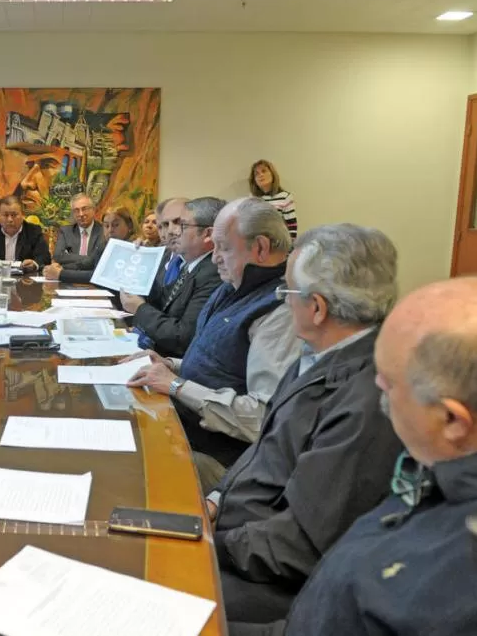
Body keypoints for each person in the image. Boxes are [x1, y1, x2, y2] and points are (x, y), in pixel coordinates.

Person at [231, 277, 477, 636]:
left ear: (451, 420)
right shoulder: (440, 468)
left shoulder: (466, 582)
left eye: (388, 383)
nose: (374, 387)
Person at [207, 224, 402, 624]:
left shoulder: (368, 402)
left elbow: (298, 545)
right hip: (241, 535)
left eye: (287, 294)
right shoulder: (317, 354)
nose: (283, 303)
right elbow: (265, 447)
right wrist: (214, 500)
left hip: (272, 580)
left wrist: (210, 542)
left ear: (317, 307)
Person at [128, 197, 303, 466]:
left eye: (224, 247)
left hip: (213, 452)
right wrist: (170, 364)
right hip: (179, 422)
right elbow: (220, 365)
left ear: (260, 248)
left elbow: (261, 417)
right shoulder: (232, 286)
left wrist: (177, 385)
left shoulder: (278, 310)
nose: (215, 257)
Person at [122, 197, 224, 357]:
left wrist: (139, 309)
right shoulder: (190, 265)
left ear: (208, 234)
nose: (171, 231)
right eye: (165, 225)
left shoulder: (215, 272)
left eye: (181, 225)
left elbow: (182, 338)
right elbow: (164, 303)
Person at [44, 204, 135, 283]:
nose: (110, 230)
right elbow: (87, 263)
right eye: (106, 226)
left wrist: (61, 274)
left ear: (129, 226)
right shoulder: (105, 246)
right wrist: (59, 268)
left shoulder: (133, 248)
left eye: (115, 225)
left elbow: (98, 276)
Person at [0, 195, 51, 271]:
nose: (10, 219)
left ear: (23, 214)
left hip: (25, 281)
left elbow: (45, 257)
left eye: (14, 215)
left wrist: (34, 264)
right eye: (5, 215)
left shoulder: (33, 230)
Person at [52, 193, 106, 270]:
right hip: (69, 276)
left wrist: (66, 264)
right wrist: (89, 259)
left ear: (93, 210)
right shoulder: (66, 231)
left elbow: (99, 260)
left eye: (84, 209)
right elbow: (58, 256)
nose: (81, 214)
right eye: (76, 210)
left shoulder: (103, 231)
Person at [249, 159, 297, 240]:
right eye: (256, 174)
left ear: (272, 174)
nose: (260, 175)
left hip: (279, 244)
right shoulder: (252, 199)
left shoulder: (285, 197)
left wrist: (289, 249)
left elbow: (292, 226)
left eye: (264, 171)